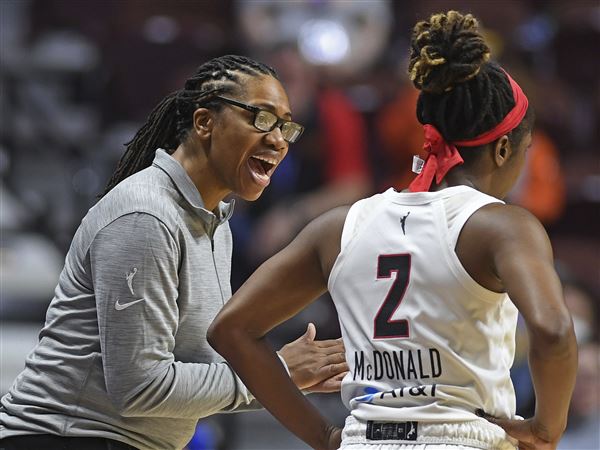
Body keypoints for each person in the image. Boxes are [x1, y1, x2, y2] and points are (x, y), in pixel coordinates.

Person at [207, 12, 578, 450]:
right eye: (524, 151)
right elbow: (553, 331)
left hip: (365, 440)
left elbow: (230, 329)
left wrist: (323, 436)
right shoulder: (502, 225)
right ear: (502, 149)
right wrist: (545, 429)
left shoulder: (340, 225)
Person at [0, 55, 347, 450]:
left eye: (287, 127)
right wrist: (280, 369)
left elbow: (195, 377)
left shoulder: (214, 221)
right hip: (65, 438)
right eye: (262, 118)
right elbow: (140, 388)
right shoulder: (145, 216)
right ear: (204, 123)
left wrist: (276, 376)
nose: (278, 139)